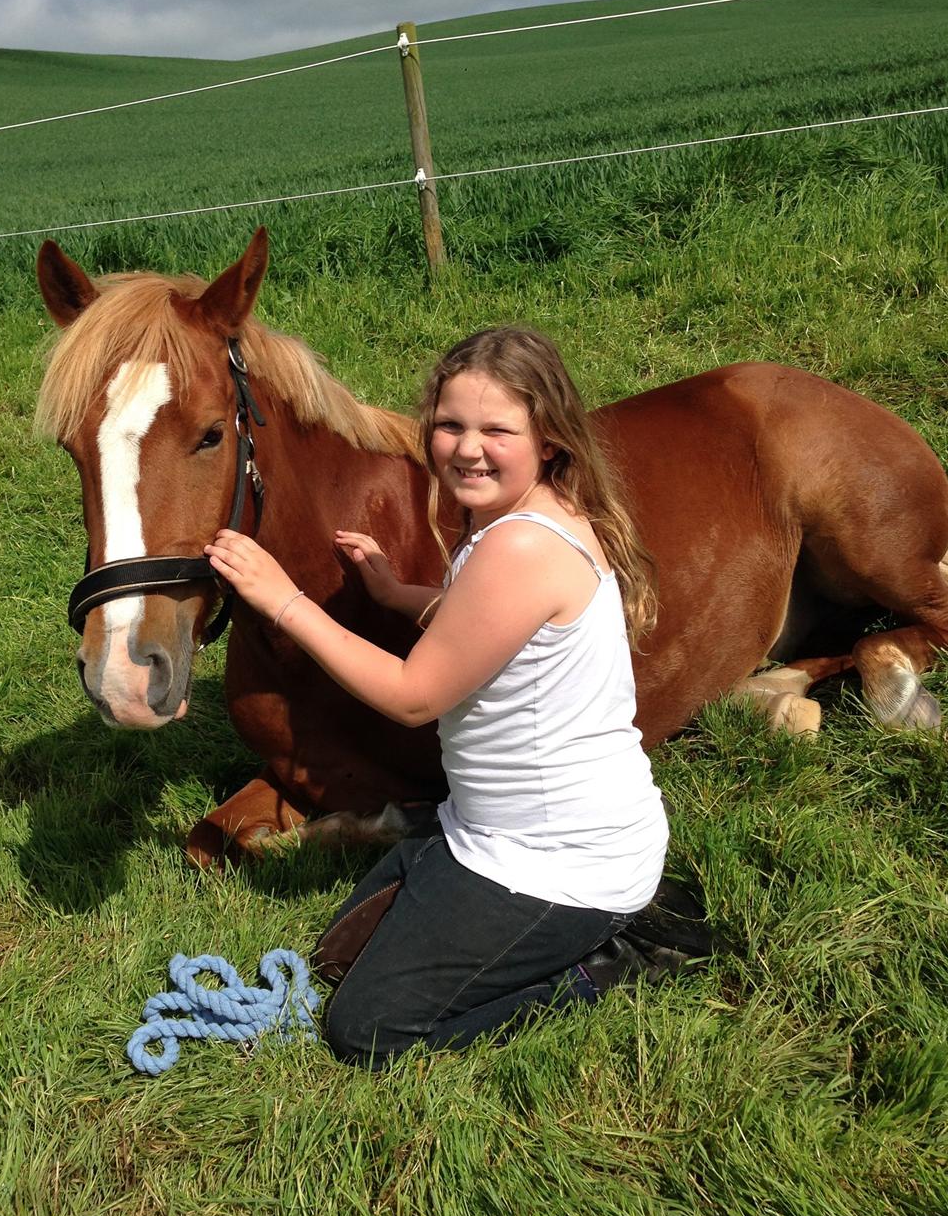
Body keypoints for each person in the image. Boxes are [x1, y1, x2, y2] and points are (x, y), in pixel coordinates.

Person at [204, 325, 669, 1067]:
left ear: (548, 438)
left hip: (565, 863)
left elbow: (414, 696)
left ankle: (609, 962)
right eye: (450, 425)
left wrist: (283, 599)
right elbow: (486, 627)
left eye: (497, 429)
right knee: (337, 957)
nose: (467, 447)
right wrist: (397, 593)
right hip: (494, 830)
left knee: (366, 1030)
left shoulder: (520, 547)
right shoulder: (529, 519)